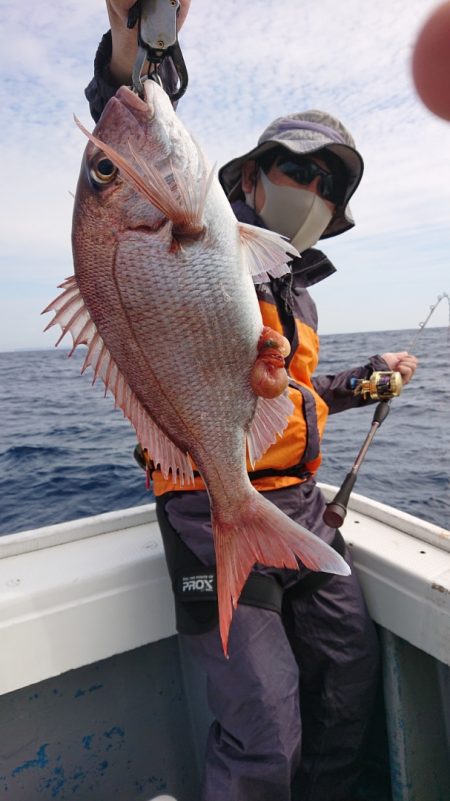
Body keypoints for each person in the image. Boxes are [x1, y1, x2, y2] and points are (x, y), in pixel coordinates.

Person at [85, 5, 418, 801]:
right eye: (297, 169)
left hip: (298, 506)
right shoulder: (210, 239)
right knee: (265, 731)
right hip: (211, 510)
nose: (310, 189)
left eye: (326, 185)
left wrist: (363, 379)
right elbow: (122, 149)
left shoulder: (296, 291)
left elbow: (280, 392)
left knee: (347, 683)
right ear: (247, 177)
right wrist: (131, 55)